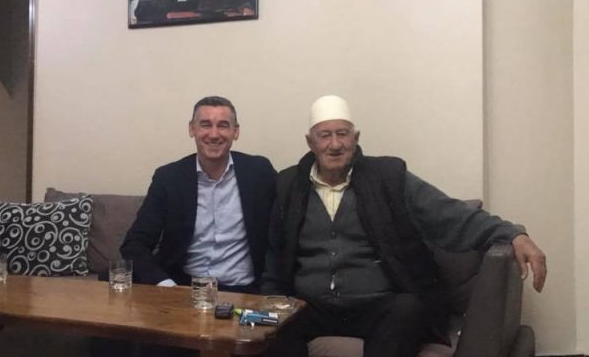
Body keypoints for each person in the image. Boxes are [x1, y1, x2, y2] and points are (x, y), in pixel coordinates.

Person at [262, 95, 547, 357]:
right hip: (312, 306)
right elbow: (276, 254)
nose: (335, 144)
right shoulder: (288, 185)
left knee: (407, 309)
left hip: (377, 305)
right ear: (310, 142)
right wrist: (268, 302)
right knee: (273, 325)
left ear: (356, 138)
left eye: (342, 134)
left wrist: (511, 234)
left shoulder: (388, 177)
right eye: (325, 135)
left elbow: (449, 214)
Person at [121, 96, 276, 293]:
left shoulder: (259, 172)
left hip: (243, 291)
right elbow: (135, 244)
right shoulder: (169, 178)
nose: (214, 134)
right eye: (205, 125)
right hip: (183, 289)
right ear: (192, 129)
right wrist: (167, 286)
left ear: (235, 132)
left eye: (223, 125)